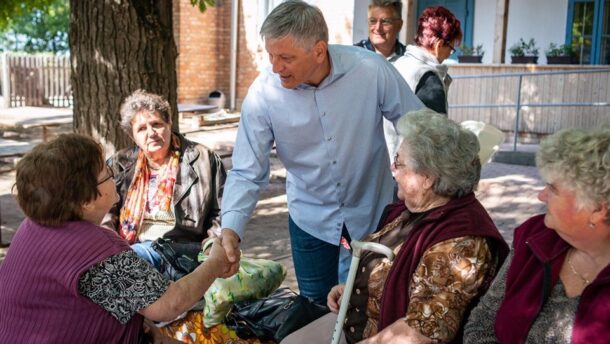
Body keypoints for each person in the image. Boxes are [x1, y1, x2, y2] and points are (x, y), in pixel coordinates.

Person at [219, 0, 424, 304]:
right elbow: (247, 170)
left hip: (372, 212)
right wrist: (231, 229)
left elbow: (417, 126)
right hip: (310, 219)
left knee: (368, 305)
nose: (275, 68)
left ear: (318, 50)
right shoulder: (263, 93)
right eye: (271, 56)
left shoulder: (370, 70)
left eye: (285, 57)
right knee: (314, 307)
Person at [281, 110, 509, 344]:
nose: (392, 168)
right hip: (356, 327)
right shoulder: (411, 209)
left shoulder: (461, 242)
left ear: (427, 178)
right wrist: (354, 289)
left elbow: (422, 333)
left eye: (399, 162)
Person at [0, 134, 232, 343]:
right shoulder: (93, 247)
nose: (116, 178)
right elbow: (169, 304)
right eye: (108, 174)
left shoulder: (32, 227)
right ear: (85, 200)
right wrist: (215, 263)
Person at [464, 127, 610, 344]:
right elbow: (481, 323)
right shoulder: (535, 239)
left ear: (598, 209)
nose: (541, 195)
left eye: (553, 189)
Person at [103, 90, 226, 271]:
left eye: (156, 124)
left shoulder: (204, 160)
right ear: (132, 136)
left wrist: (212, 246)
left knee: (132, 260)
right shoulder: (119, 164)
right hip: (131, 249)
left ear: (169, 124)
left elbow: (222, 213)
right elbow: (104, 213)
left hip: (183, 252)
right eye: (142, 128)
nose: (151, 133)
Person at [384, 6, 462, 158]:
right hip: (410, 167)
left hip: (387, 160)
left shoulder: (395, 63)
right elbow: (437, 139)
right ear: (439, 45)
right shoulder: (428, 78)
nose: (449, 55)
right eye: (451, 49)